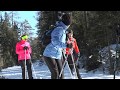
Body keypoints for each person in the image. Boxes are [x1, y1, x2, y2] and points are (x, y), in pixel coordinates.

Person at [43, 13, 72, 79]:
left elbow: (60, 42)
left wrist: (67, 43)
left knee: (61, 74)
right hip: (49, 54)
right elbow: (55, 42)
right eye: (68, 20)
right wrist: (66, 45)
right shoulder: (58, 29)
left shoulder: (64, 30)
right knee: (55, 73)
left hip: (58, 54)